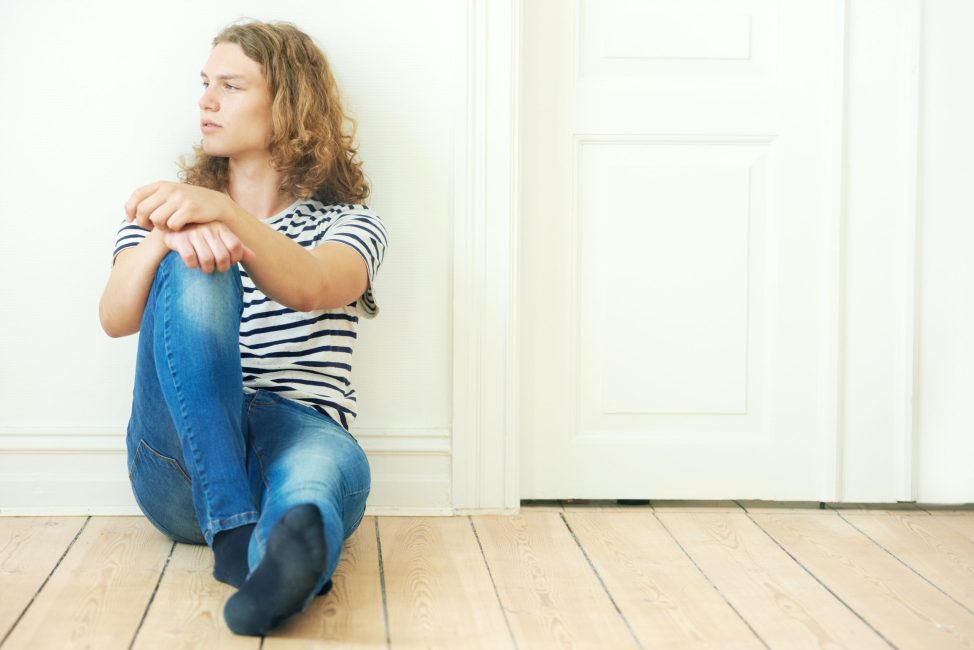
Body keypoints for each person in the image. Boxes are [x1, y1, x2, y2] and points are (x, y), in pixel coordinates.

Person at [98, 20, 388, 636]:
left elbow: (313, 285)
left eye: (230, 85)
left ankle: (284, 565)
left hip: (300, 429)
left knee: (310, 486)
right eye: (205, 84)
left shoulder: (350, 223)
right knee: (197, 261)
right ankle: (235, 530)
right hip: (180, 463)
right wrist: (168, 240)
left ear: (289, 105)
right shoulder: (169, 217)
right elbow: (114, 318)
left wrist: (226, 214)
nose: (206, 100)